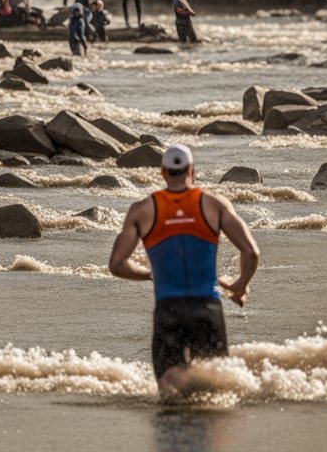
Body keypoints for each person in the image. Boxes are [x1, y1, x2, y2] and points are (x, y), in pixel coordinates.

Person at [108, 144, 260, 396]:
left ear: (163, 173)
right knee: (216, 389)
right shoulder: (214, 204)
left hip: (169, 309)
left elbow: (117, 265)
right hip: (207, 307)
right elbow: (251, 252)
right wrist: (239, 285)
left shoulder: (143, 209)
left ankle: (175, 430)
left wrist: (150, 274)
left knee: (170, 388)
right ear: (192, 170)